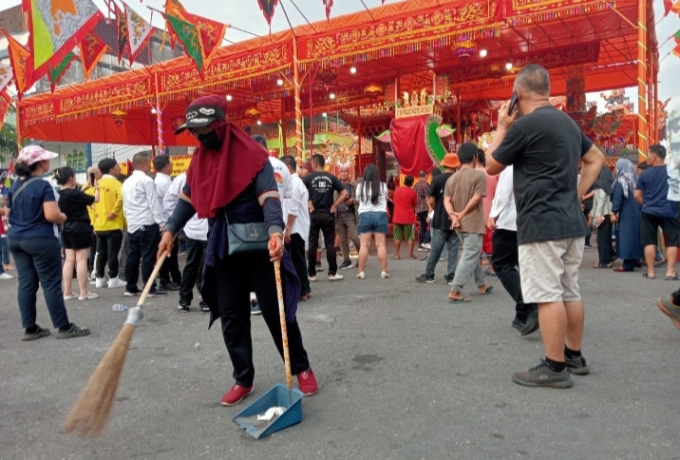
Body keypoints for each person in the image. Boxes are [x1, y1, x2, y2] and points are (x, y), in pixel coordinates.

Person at [159, 95, 317, 405]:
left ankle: (302, 367)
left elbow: (269, 196)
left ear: (219, 125)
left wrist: (275, 231)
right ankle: (242, 377)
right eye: (193, 132)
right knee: (232, 315)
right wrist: (170, 229)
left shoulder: (252, 154)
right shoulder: (199, 160)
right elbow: (188, 199)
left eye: (203, 131)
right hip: (222, 246)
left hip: (260, 246)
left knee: (276, 312)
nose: (198, 137)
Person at [486, 64, 604, 388]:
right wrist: (575, 194)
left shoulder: (525, 126)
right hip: (571, 222)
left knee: (548, 294)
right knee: (569, 290)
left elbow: (492, 164)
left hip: (542, 222)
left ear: (517, 94)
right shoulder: (566, 122)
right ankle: (573, 356)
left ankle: (554, 368)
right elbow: (596, 158)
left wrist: (500, 126)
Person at [7, 145, 90, 340]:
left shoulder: (14, 186)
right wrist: (63, 216)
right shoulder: (44, 186)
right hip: (41, 239)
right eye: (46, 160)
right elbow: (52, 215)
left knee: (26, 284)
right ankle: (63, 326)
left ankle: (30, 327)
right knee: (51, 284)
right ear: (41, 163)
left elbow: (9, 214)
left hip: (16, 239)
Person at [488, 164, 539, 335]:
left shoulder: (513, 161)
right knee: (523, 266)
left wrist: (494, 213)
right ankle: (521, 315)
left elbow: (504, 190)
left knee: (501, 263)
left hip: (510, 220)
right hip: (532, 219)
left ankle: (529, 304)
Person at [444, 143, 492, 303]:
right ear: (474, 158)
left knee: (471, 252)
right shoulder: (479, 176)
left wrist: (454, 215)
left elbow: (447, 200)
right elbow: (477, 198)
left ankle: (482, 284)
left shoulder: (452, 178)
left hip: (458, 224)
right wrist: (462, 213)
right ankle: (455, 290)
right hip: (472, 222)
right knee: (471, 253)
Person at [123, 153, 167, 298]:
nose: (150, 167)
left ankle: (130, 286)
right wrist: (162, 223)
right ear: (143, 165)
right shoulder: (147, 181)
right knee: (148, 255)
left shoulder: (127, 182)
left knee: (133, 255)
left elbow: (125, 206)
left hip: (133, 224)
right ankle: (149, 286)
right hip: (147, 222)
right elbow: (154, 204)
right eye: (149, 164)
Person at [164, 172, 209, 312]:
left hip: (202, 228)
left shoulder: (181, 178)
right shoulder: (186, 177)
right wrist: (180, 220)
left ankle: (187, 299)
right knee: (202, 265)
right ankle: (200, 299)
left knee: (195, 264)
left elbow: (168, 201)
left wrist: (179, 220)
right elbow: (170, 201)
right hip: (197, 228)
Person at [54, 166, 100, 300]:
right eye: (74, 176)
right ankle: (84, 292)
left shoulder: (58, 194)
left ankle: (67, 291)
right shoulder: (75, 194)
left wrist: (85, 188)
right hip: (80, 228)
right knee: (81, 260)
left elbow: (79, 194)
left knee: (69, 260)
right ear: (70, 178)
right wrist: (96, 187)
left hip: (66, 228)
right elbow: (96, 199)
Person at [635, 144, 679, 280]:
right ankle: (670, 271)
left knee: (649, 241)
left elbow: (636, 195)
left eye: (648, 154)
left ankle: (651, 271)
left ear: (654, 157)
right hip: (669, 211)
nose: (647, 157)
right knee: (672, 242)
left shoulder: (644, 174)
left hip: (649, 212)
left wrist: (646, 204)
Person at [415, 154, 461, 284]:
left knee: (435, 249)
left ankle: (429, 274)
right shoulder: (459, 178)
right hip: (456, 219)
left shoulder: (437, 179)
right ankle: (451, 276)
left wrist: (436, 208)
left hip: (440, 219)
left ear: (444, 164)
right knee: (453, 249)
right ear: (456, 165)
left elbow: (430, 198)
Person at [303, 153, 348, 282]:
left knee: (312, 244)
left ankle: (311, 274)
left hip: (314, 215)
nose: (311, 166)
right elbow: (344, 193)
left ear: (315, 164)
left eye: (312, 164)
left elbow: (299, 191)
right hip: (328, 214)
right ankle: (332, 273)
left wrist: (308, 202)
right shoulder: (332, 178)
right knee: (330, 244)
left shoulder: (309, 178)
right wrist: (335, 205)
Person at [281, 155, 311, 300]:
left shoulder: (293, 183)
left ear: (287, 168)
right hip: (297, 226)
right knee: (299, 259)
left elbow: (292, 209)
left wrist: (287, 228)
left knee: (296, 260)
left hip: (294, 228)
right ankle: (305, 288)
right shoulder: (296, 182)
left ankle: (301, 290)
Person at [93, 158, 126, 289]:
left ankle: (99, 278)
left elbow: (92, 203)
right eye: (118, 167)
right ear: (112, 170)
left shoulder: (97, 183)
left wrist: (94, 222)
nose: (119, 170)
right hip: (113, 224)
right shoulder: (116, 183)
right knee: (113, 252)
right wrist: (115, 211)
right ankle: (113, 278)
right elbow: (122, 196)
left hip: (99, 224)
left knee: (101, 252)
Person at [355, 164, 389, 279]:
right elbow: (385, 198)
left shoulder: (360, 187)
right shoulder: (383, 186)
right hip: (380, 215)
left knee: (364, 245)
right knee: (381, 244)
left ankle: (361, 271)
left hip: (365, 215)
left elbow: (357, 199)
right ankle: (384, 271)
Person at [155, 155, 181, 291]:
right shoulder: (165, 183)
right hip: (167, 221)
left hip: (165, 221)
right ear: (166, 166)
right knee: (169, 252)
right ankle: (166, 280)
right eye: (170, 164)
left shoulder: (159, 180)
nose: (171, 166)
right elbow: (174, 202)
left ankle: (175, 278)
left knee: (171, 252)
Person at [611, 159, 643, 272]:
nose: (616, 169)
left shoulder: (621, 181)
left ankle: (627, 264)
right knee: (634, 236)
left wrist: (614, 211)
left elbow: (617, 199)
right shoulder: (634, 180)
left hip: (626, 213)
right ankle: (635, 260)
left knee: (626, 237)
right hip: (636, 212)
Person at [476, 149, 499, 276]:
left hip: (474, 216)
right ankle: (492, 268)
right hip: (489, 215)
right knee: (489, 243)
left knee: (476, 244)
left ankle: (478, 270)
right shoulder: (491, 175)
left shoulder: (471, 174)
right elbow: (497, 196)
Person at [335, 166, 360, 270]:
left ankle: (361, 256)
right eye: (342, 171)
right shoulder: (335, 185)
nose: (343, 173)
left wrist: (352, 201)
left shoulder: (354, 185)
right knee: (343, 240)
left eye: (345, 171)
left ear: (349, 173)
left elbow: (361, 199)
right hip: (338, 216)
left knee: (355, 238)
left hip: (350, 215)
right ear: (339, 173)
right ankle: (346, 260)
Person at [591, 166, 615, 268]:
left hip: (602, 215)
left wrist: (597, 215)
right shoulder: (608, 185)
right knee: (606, 238)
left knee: (601, 239)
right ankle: (608, 259)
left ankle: (603, 261)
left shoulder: (600, 185)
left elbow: (601, 200)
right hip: (607, 214)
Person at [392, 175, 418, 260]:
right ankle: (410, 254)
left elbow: (394, 202)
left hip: (397, 216)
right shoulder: (413, 192)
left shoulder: (396, 190)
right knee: (411, 237)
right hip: (409, 217)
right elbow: (414, 204)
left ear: (404, 181)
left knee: (397, 237)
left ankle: (397, 254)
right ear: (412, 183)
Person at [414, 170, 431, 250]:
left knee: (423, 227)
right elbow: (427, 198)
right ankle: (425, 242)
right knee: (432, 226)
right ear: (425, 176)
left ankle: (421, 245)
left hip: (418, 208)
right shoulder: (425, 185)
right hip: (424, 208)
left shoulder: (416, 185)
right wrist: (430, 208)